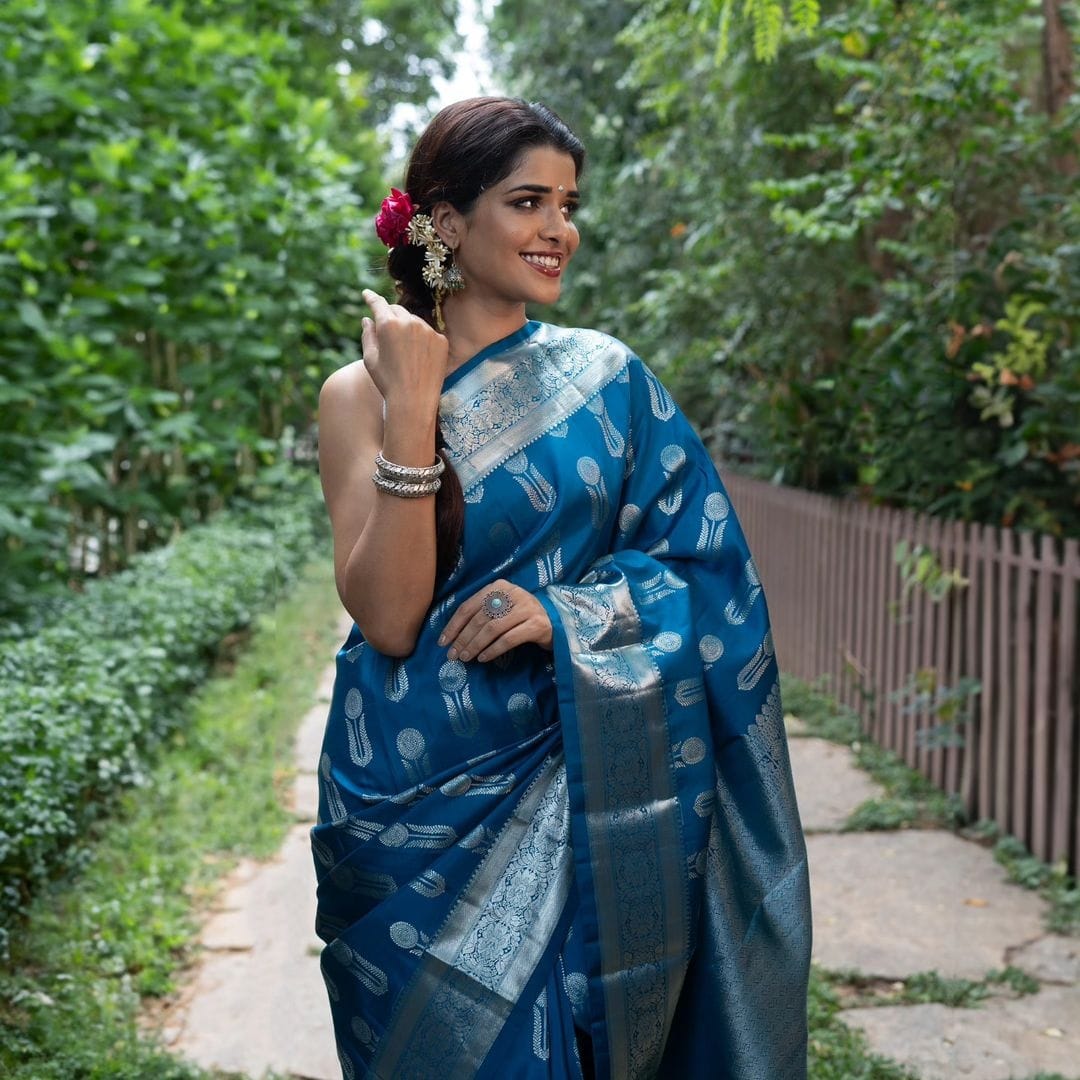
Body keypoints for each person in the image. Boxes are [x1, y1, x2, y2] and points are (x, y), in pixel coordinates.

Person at [312, 96, 811, 1080]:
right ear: (445, 222)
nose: (558, 230)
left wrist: (574, 612)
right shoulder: (357, 394)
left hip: (589, 769)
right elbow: (388, 616)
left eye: (568, 205)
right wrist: (414, 403)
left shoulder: (610, 381)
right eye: (528, 201)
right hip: (412, 803)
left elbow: (708, 577)